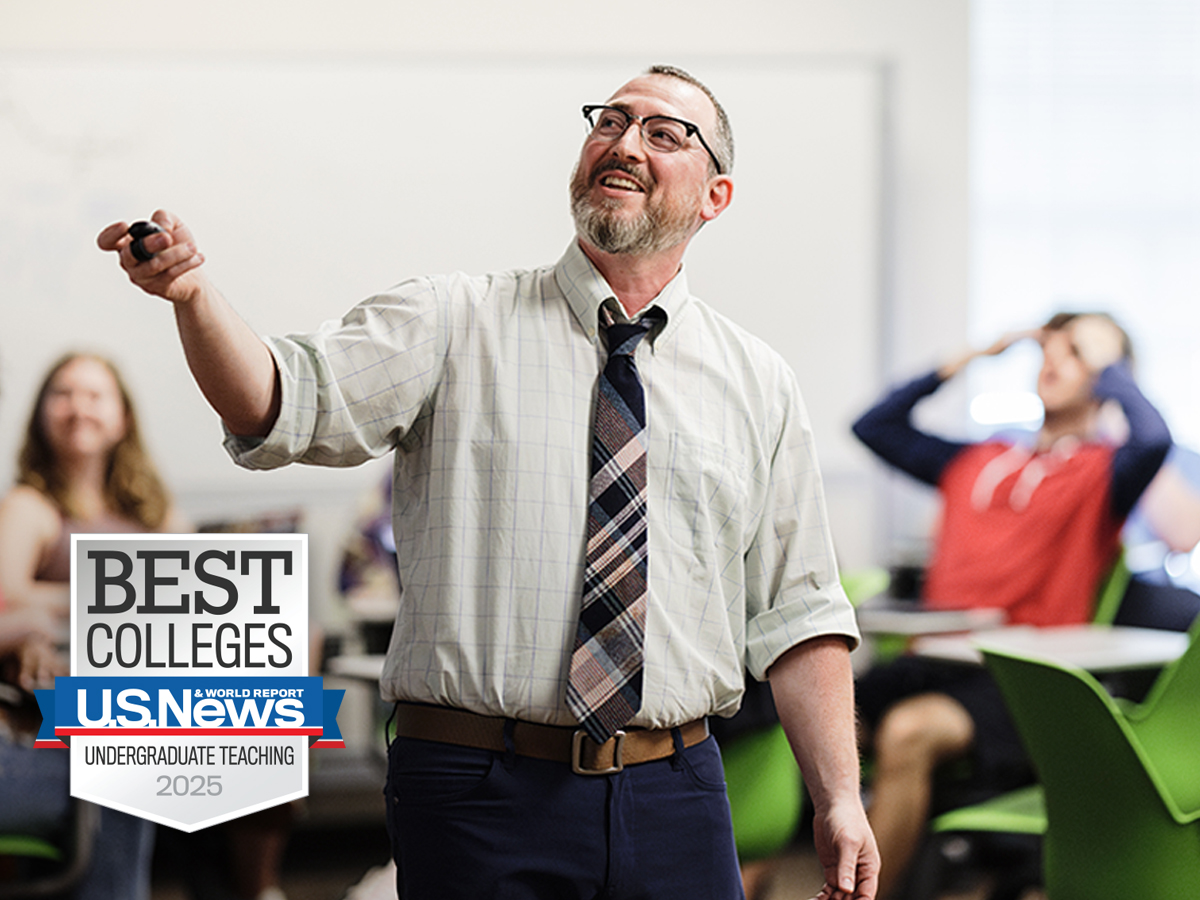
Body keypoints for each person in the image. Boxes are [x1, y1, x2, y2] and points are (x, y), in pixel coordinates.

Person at [98, 65, 879, 899]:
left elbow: (801, 612)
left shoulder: (757, 381)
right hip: (478, 789)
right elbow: (280, 401)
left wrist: (840, 797)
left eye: (663, 132)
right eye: (610, 121)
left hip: (674, 790)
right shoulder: (450, 321)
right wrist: (192, 297)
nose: (624, 142)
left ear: (716, 196)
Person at [851, 312, 1171, 898]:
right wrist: (977, 353)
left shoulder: (1104, 472)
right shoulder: (977, 459)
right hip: (932, 661)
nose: (1055, 360)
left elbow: (1154, 440)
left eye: (1080, 353)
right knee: (805, 717)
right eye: (1053, 346)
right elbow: (874, 426)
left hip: (1014, 681)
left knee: (907, 732)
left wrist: (1110, 367)